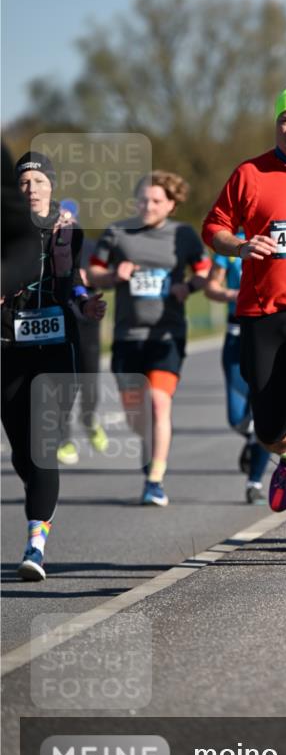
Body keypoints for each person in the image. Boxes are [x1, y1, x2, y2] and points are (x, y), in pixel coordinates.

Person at [202, 86, 286, 551]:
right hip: (260, 313)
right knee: (270, 427)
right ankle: (284, 458)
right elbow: (212, 227)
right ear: (276, 125)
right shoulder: (250, 173)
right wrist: (239, 245)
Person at [2, 151, 106, 580]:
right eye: (24, 183)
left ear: (50, 186)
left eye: (39, 182)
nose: (31, 189)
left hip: (57, 347)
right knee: (23, 455)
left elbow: (72, 281)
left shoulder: (68, 230)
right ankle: (39, 502)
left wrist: (86, 302)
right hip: (8, 347)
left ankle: (35, 546)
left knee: (44, 449)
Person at [88, 170, 211, 506]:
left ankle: (154, 480)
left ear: (172, 204)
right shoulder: (117, 233)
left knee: (158, 402)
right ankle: (150, 454)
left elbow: (203, 269)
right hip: (128, 336)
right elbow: (93, 272)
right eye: (143, 198)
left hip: (167, 334)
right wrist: (115, 274)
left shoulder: (183, 235)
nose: (148, 205)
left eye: (157, 200)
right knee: (135, 414)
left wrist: (188, 286)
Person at [204, 249, 271, 503]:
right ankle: (256, 437)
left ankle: (254, 482)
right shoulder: (232, 246)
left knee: (266, 414)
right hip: (236, 334)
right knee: (236, 418)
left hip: (269, 333)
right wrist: (231, 294)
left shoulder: (278, 237)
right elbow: (211, 287)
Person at [56, 199, 109, 465]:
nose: (65, 221)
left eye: (69, 218)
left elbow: (104, 277)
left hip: (87, 326)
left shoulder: (88, 247)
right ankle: (63, 439)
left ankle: (89, 418)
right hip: (59, 324)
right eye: (60, 217)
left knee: (89, 383)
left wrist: (92, 279)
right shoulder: (45, 245)